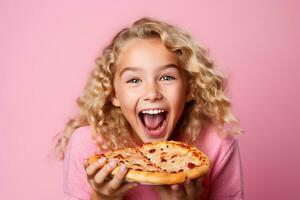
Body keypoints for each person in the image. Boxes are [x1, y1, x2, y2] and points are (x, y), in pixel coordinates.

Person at [53, 17, 245, 200]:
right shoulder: (87, 145)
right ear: (113, 94)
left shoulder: (218, 145)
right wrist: (103, 198)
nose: (152, 93)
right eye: (134, 80)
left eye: (167, 77)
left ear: (189, 89)